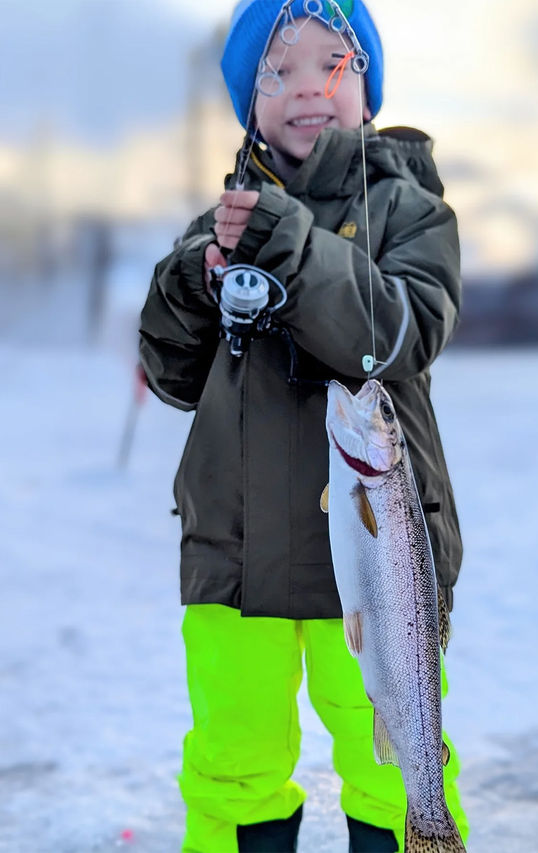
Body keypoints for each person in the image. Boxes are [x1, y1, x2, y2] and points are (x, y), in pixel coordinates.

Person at [139, 1, 469, 850]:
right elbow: (175, 375)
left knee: (393, 755)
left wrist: (290, 244)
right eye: (276, 72)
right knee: (231, 764)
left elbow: (398, 336)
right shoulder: (220, 225)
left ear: (368, 85)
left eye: (333, 63)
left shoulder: (411, 210)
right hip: (234, 552)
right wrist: (191, 282)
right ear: (249, 101)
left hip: (372, 549)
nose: (306, 88)